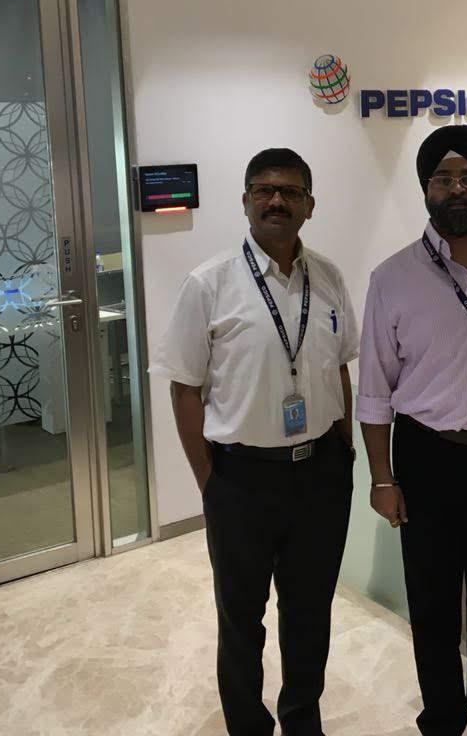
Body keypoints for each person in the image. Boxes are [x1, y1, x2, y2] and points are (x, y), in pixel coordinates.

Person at [152, 148, 358, 736]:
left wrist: (344, 452)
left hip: (320, 475)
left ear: (309, 205)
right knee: (241, 618)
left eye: (291, 192)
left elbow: (340, 368)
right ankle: (247, 725)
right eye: (264, 190)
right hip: (241, 479)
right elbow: (184, 388)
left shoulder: (329, 277)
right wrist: (210, 483)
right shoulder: (209, 283)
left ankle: (302, 721)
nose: (276, 201)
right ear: (245, 202)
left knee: (310, 612)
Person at [357, 125, 467, 736]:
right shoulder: (392, 277)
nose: (456, 188)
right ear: (425, 188)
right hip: (429, 456)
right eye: (442, 178)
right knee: (432, 598)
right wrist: (382, 478)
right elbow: (374, 390)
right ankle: (441, 715)